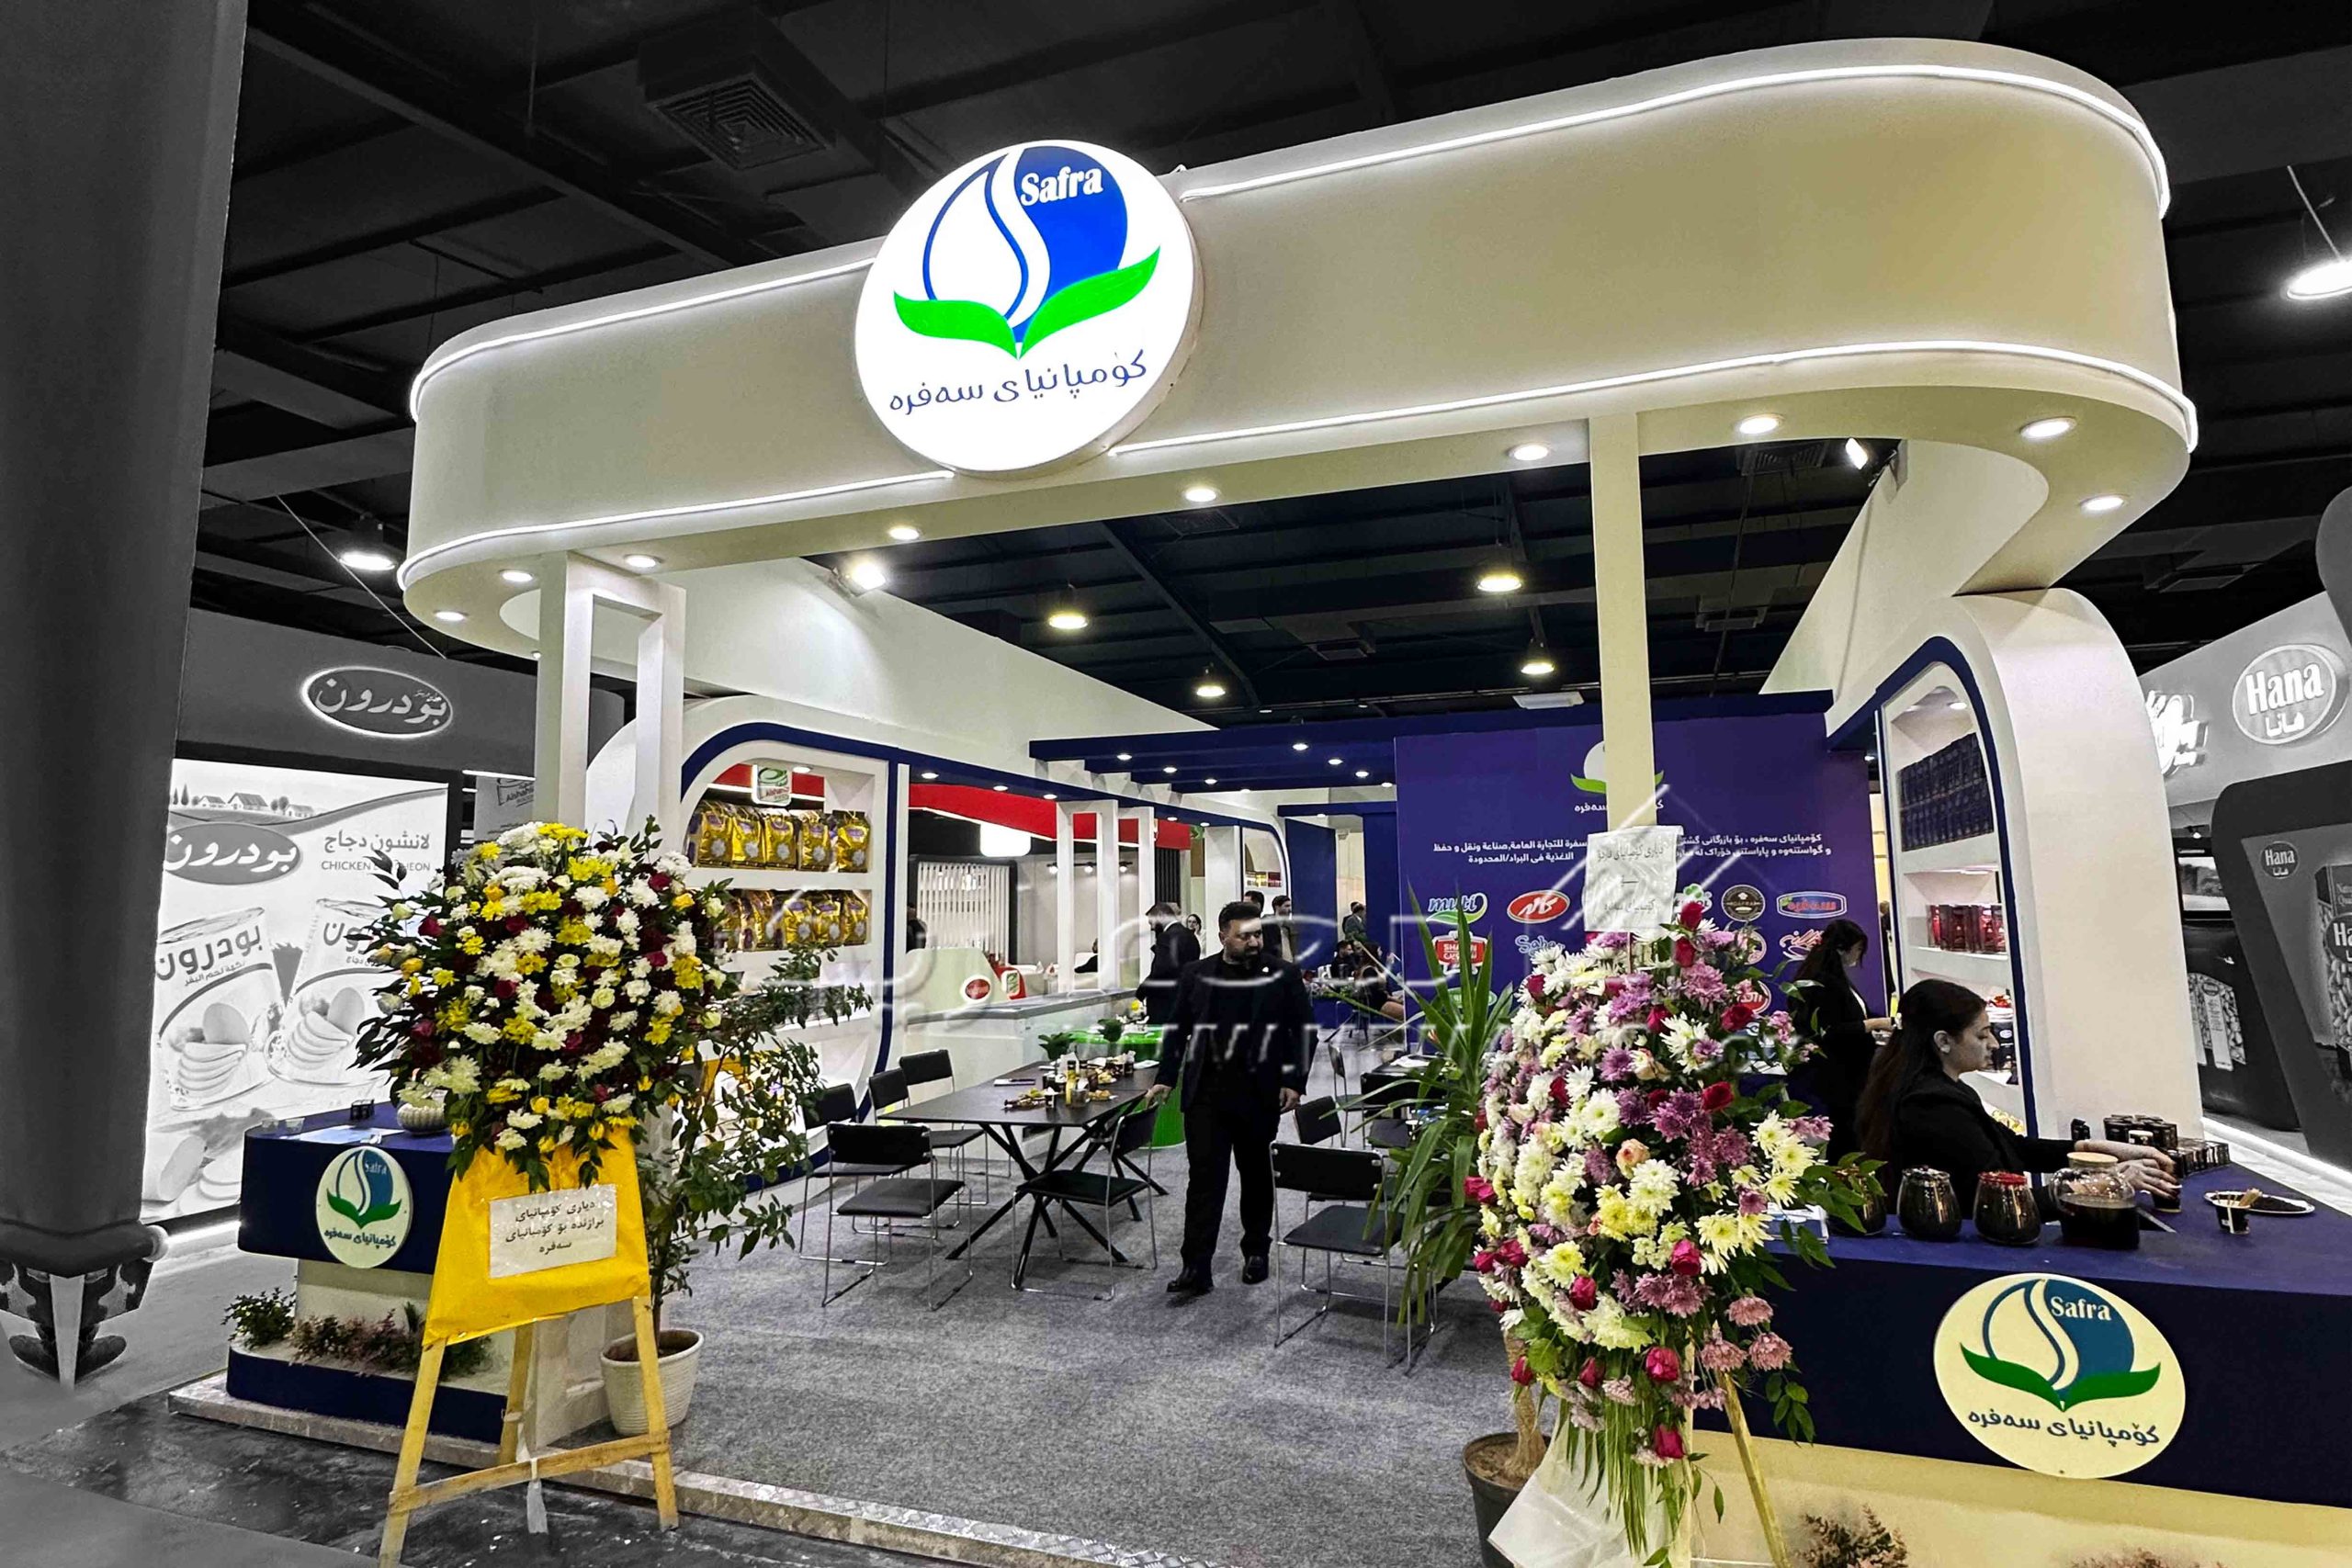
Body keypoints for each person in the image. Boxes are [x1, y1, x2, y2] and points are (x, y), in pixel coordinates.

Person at [1856, 979, 2177, 1207]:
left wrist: (2098, 1150)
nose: (1994, 1044)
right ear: (1943, 1041)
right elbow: (1998, 1200)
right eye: (1982, 1035)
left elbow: (2013, 1146)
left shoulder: (1943, 1090)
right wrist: (2106, 1183)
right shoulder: (1932, 1105)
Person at [1147, 899, 1314, 1297]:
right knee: (1204, 1181)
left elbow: (1304, 1031)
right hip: (1206, 1095)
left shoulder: (1283, 974)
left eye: (1257, 935)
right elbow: (1177, 1029)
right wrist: (1165, 1078)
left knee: (1255, 1177)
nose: (1254, 942)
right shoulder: (1196, 974)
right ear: (1223, 936)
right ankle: (1195, 1265)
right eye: (1244, 936)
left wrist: (1294, 1081)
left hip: (1259, 1093)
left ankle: (1256, 1251)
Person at [1784, 919, 1889, 1157]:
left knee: (1848, 1135)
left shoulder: (1834, 979)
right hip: (1836, 1076)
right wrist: (1875, 1024)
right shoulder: (1823, 983)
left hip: (1847, 1075)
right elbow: (1829, 1032)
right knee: (1844, 1138)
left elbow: (1854, 1014)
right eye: (1858, 949)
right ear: (1842, 949)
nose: (1859, 955)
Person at [1139, 900, 1199, 1024]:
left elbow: (1161, 970)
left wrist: (1141, 992)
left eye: (1152, 922)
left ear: (1161, 915)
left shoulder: (1166, 937)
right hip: (1185, 1000)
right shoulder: (1191, 936)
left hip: (1165, 1002)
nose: (1152, 928)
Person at [1265, 893, 1299, 965]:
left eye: (1290, 906)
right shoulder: (1267, 925)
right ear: (1277, 907)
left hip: (1289, 964)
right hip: (1274, 964)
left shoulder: (1291, 926)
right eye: (1286, 906)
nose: (1290, 909)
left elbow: (1294, 947)